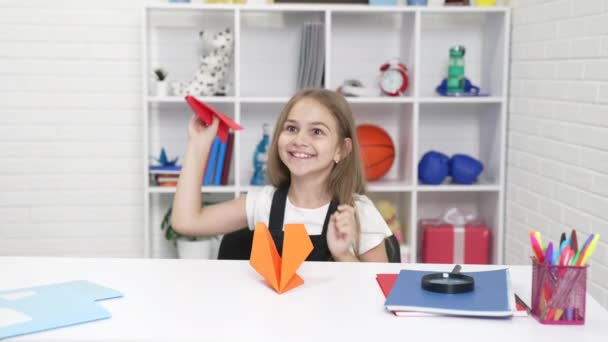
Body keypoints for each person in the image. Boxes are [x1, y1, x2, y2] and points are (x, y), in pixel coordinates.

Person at [171, 88, 391, 262]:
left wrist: (344, 254)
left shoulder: (359, 212)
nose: (299, 140)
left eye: (316, 131)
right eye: (292, 128)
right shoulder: (262, 203)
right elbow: (186, 222)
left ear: (341, 150)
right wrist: (197, 146)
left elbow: (379, 289)